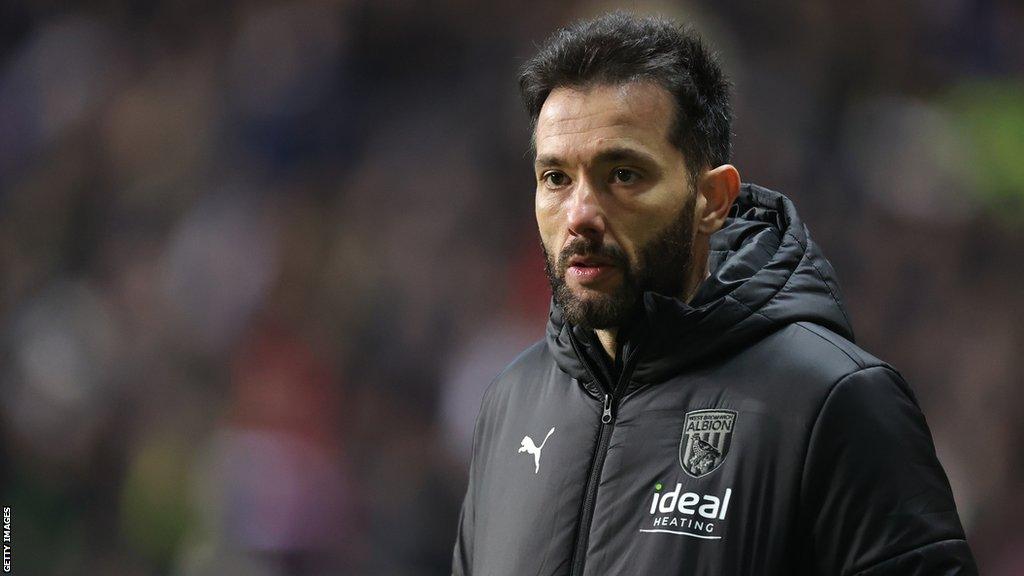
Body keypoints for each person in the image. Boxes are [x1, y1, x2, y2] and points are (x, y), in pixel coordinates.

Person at [451, 12, 977, 576]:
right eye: (555, 178)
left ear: (712, 199)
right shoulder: (510, 402)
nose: (580, 216)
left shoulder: (834, 403)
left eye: (624, 174)